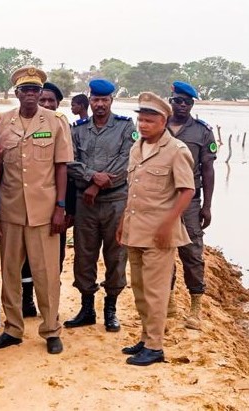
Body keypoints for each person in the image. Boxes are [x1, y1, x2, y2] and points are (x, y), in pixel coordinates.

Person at [0, 66, 73, 355]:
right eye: (25, 90)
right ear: (17, 93)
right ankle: (12, 328)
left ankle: (51, 329)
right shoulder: (1, 123)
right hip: (10, 209)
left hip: (44, 211)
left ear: (41, 93)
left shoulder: (56, 122)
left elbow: (61, 167)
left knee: (46, 274)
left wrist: (61, 207)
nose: (31, 95)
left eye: (36, 90)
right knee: (10, 273)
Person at [116, 91, 194, 366]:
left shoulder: (177, 151)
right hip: (135, 229)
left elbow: (187, 191)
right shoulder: (137, 148)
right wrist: (123, 222)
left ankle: (155, 347)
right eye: (141, 120)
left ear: (163, 121)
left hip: (160, 234)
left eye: (150, 121)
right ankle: (146, 337)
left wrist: (168, 222)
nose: (143, 125)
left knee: (156, 291)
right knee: (138, 287)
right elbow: (133, 192)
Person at [64, 79, 136, 332]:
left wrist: (97, 184)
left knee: (116, 255)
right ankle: (86, 308)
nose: (100, 105)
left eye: (105, 100)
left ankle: (111, 308)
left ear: (111, 101)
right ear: (90, 100)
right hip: (87, 203)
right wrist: (91, 178)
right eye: (96, 100)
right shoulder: (78, 129)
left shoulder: (126, 127)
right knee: (84, 255)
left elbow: (127, 160)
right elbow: (70, 162)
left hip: (116, 200)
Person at [20, 81, 74, 318]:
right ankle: (27, 300)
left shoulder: (63, 126)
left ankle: (50, 310)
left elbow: (68, 171)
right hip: (23, 207)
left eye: (52, 100)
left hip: (54, 207)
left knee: (53, 260)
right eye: (44, 100)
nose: (47, 104)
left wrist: (65, 207)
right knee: (24, 262)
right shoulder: (14, 125)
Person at [166, 81, 217, 330]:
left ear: (192, 104)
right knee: (163, 250)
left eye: (187, 102)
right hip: (161, 199)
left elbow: (208, 170)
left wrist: (207, 206)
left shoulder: (202, 132)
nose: (182, 105)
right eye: (178, 101)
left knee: (192, 253)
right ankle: (168, 302)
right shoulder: (158, 126)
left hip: (190, 201)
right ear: (170, 100)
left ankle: (195, 307)